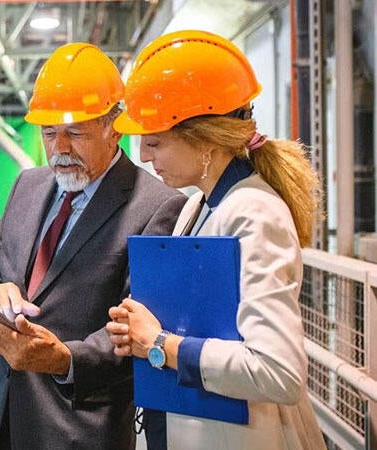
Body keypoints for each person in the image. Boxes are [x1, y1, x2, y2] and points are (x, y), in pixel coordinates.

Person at [105, 30, 326, 450]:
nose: (145, 157)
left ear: (204, 139)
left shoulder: (255, 214)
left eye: (153, 142)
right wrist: (137, 329)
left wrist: (158, 344)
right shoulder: (197, 207)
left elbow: (279, 373)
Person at [0, 42, 187, 450]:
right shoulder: (26, 187)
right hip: (8, 417)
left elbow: (138, 332)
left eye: (75, 133)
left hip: (80, 429)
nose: (59, 148)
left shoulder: (157, 207)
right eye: (49, 133)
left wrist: (63, 360)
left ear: (113, 128)